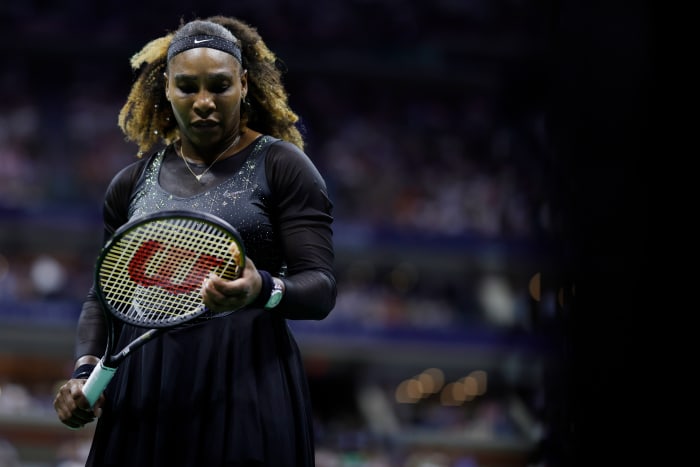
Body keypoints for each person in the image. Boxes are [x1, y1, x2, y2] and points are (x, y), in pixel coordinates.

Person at [53, 15, 336, 467]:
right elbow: (101, 296)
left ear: (243, 84)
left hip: (248, 387)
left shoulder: (283, 166)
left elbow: (320, 287)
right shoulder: (130, 184)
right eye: (187, 87)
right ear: (166, 87)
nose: (204, 101)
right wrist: (84, 372)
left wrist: (261, 289)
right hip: (145, 390)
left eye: (219, 86)